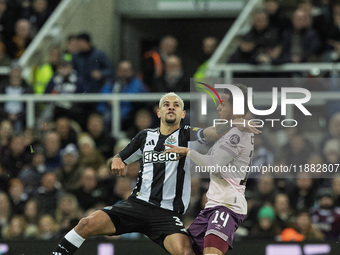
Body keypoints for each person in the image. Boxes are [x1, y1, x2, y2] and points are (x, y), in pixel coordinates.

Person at [51, 92, 259, 255]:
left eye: (176, 105)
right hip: (136, 205)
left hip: (167, 214)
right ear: (158, 112)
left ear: (182, 114)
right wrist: (115, 161)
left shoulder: (187, 134)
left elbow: (210, 132)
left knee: (187, 252)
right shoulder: (144, 137)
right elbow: (116, 158)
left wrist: (233, 124)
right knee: (86, 223)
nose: (171, 107)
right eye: (166, 105)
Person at [163, 85, 255, 254]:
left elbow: (213, 164)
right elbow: (209, 133)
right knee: (185, 249)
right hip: (214, 205)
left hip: (227, 205)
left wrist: (188, 152)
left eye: (224, 104)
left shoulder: (237, 134)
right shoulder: (232, 130)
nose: (218, 107)